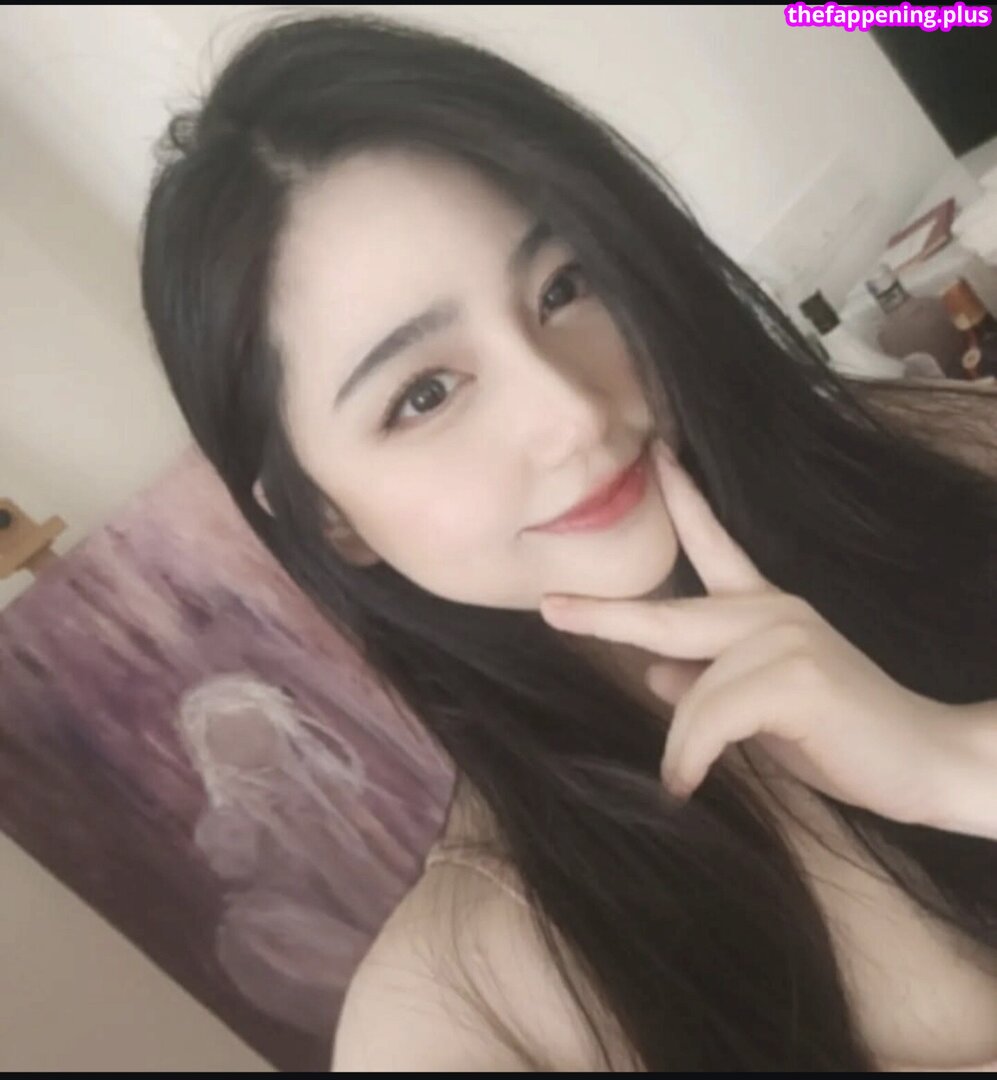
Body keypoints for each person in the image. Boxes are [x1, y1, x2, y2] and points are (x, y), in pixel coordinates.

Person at [138, 10, 997, 1071]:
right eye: (425, 393)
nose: (572, 413)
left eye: (563, 286)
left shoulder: (956, 450)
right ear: (328, 514)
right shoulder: (456, 1015)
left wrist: (954, 762)